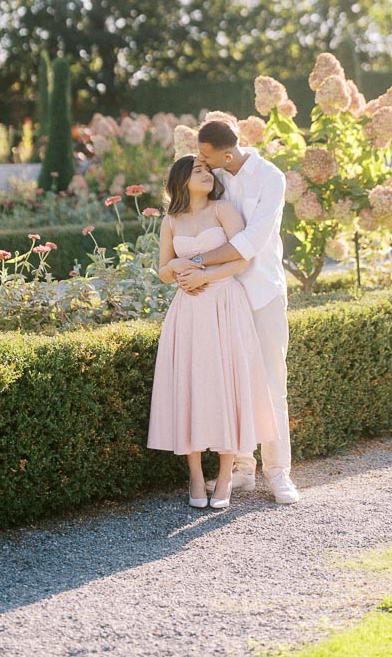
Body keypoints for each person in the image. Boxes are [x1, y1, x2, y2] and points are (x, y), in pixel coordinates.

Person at [176, 119, 300, 505]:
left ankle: (278, 473)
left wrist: (195, 260)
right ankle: (243, 469)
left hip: (260, 292)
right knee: (230, 385)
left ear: (227, 154)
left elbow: (250, 241)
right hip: (221, 297)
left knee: (270, 383)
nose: (202, 161)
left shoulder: (270, 178)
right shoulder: (215, 176)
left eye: (207, 156)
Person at [147, 155, 277, 510]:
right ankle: (193, 473)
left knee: (226, 383)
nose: (207, 175)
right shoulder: (171, 221)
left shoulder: (223, 210)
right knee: (189, 383)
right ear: (181, 180)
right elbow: (162, 270)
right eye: (199, 170)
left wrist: (205, 275)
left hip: (223, 304)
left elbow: (243, 259)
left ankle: (224, 475)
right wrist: (174, 265)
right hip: (187, 311)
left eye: (207, 170)